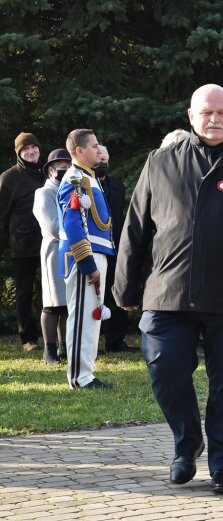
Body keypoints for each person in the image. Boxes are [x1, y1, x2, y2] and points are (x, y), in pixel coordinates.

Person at [113, 84, 223, 494]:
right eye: (206, 112)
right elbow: (135, 227)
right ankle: (187, 443)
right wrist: (125, 287)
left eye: (222, 112)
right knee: (165, 370)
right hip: (168, 294)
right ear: (191, 116)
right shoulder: (160, 162)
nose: (214, 119)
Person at [58, 129, 116, 390]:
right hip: (85, 257)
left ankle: (87, 373)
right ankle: (79, 377)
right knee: (82, 317)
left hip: (97, 253)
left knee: (91, 319)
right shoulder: (75, 179)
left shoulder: (88, 178)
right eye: (93, 146)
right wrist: (88, 264)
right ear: (79, 151)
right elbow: (72, 225)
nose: (98, 149)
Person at [0, 132, 46, 351]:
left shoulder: (49, 172)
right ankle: (28, 338)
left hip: (49, 243)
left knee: (51, 290)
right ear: (19, 153)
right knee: (24, 292)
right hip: (22, 245)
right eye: (25, 149)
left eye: (33, 148)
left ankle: (53, 335)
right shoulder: (9, 178)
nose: (31, 152)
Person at [32, 149, 71, 364]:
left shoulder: (72, 191)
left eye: (68, 166)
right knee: (52, 303)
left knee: (66, 303)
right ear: (50, 171)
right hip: (54, 251)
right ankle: (49, 350)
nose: (64, 170)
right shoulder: (43, 193)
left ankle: (63, 346)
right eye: (60, 167)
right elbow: (52, 227)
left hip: (72, 251)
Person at [95, 145, 131, 352]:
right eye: (98, 156)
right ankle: (93, 339)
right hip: (96, 247)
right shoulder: (86, 186)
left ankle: (116, 340)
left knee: (117, 290)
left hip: (117, 245)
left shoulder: (117, 185)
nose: (102, 160)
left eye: (105, 157)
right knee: (96, 293)